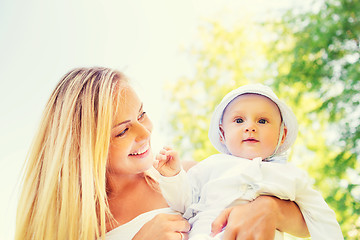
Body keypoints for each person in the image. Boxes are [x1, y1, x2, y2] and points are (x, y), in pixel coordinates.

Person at [15, 68, 310, 240]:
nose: (145, 133)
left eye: (142, 115)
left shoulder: (186, 177)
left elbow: (307, 222)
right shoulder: (66, 226)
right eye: (122, 131)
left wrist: (270, 209)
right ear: (82, 148)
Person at [154, 84, 344, 240]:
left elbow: (320, 215)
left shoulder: (290, 175)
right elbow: (183, 203)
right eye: (238, 120)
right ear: (222, 133)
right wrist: (172, 177)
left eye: (262, 121)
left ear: (281, 134)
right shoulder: (209, 166)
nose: (250, 127)